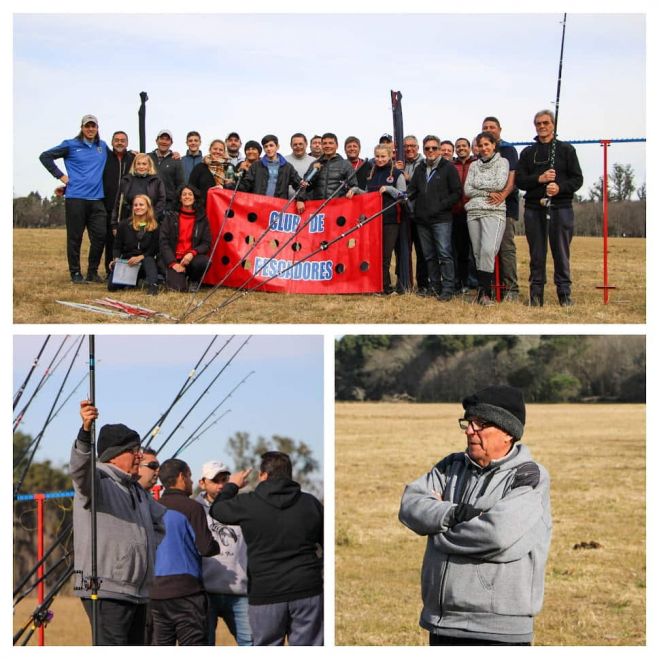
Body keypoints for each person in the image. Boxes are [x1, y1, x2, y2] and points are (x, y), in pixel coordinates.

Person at [398, 385, 552, 646]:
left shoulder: (529, 477)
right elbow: (410, 506)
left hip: (498, 632)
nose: (470, 430)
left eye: (480, 424)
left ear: (507, 432)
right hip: (441, 623)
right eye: (468, 422)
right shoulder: (451, 465)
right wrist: (457, 513)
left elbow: (496, 534)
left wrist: (438, 531)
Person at [70, 400, 166, 645]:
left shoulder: (137, 490)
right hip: (106, 589)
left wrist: (144, 550)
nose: (140, 455)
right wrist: (85, 432)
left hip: (137, 591)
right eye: (134, 450)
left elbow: (159, 523)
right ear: (114, 455)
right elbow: (81, 470)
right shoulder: (97, 481)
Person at [210, 451, 323, 646]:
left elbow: (217, 510)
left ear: (263, 475)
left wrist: (232, 486)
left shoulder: (248, 503)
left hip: (265, 592)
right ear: (289, 474)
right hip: (307, 589)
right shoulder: (310, 502)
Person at [516, 109, 584, 307]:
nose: (542, 126)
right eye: (538, 123)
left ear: (553, 125)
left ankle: (564, 294)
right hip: (533, 209)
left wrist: (559, 187)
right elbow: (520, 180)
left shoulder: (566, 150)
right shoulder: (528, 153)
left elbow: (577, 179)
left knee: (561, 253)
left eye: (546, 123)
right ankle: (536, 296)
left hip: (560, 208)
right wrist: (540, 179)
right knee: (536, 254)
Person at [150, 459, 219, 646]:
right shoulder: (192, 508)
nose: (190, 481)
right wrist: (216, 546)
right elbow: (205, 548)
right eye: (189, 476)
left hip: (155, 594)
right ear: (181, 477)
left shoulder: (152, 507)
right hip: (186, 593)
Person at [39, 114, 108, 283]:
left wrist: (133, 153)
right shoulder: (70, 145)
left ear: (97, 128)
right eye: (87, 126)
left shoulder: (103, 146)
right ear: (82, 128)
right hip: (75, 198)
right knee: (75, 237)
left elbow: (118, 157)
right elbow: (45, 156)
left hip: (97, 199)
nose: (91, 129)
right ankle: (75, 273)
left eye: (94, 126)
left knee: (100, 236)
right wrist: (61, 177)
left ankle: (92, 272)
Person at [195, 461, 253, 646]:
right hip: (205, 593)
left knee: (252, 643)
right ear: (202, 483)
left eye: (225, 479)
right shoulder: (193, 509)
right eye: (215, 480)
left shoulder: (242, 505)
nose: (221, 485)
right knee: (204, 645)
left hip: (239, 592)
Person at [406, 135, 462, 302]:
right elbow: (412, 191)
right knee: (429, 255)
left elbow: (457, 193)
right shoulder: (420, 168)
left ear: (439, 150)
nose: (430, 151)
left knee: (444, 254)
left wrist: (440, 205)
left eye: (434, 148)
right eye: (427, 148)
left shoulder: (448, 167)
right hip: (422, 220)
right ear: (424, 150)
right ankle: (435, 286)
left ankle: (448, 288)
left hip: (441, 219)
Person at [463, 131, 510, 306]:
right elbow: (467, 189)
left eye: (486, 145)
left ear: (493, 145)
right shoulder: (474, 166)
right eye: (480, 145)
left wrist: (480, 188)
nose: (484, 148)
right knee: (477, 253)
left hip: (493, 211)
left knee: (488, 250)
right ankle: (482, 294)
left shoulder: (503, 162)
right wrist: (487, 192)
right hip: (473, 212)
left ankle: (487, 292)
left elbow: (499, 184)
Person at [481, 117, 521, 302]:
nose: (489, 130)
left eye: (492, 127)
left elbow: (512, 177)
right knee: (486, 249)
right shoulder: (482, 150)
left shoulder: (508, 150)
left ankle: (511, 289)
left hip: (505, 206)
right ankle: (487, 288)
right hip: (486, 206)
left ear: (500, 130)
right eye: (485, 127)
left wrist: (503, 196)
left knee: (506, 248)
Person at [359, 144, 406, 294]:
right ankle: (376, 285)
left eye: (383, 156)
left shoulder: (398, 174)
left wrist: (390, 189)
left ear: (390, 156)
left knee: (385, 255)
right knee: (374, 255)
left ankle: (385, 287)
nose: (380, 159)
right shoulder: (370, 174)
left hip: (391, 220)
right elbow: (367, 196)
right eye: (377, 156)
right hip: (373, 220)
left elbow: (404, 196)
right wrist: (355, 190)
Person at [159, 185, 212, 292]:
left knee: (205, 261)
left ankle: (193, 280)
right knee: (178, 289)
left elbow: (206, 243)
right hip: (173, 258)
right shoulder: (170, 216)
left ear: (194, 198)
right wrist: (173, 263)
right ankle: (173, 277)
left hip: (190, 258)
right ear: (180, 198)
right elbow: (163, 242)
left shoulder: (202, 218)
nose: (187, 197)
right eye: (184, 194)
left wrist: (192, 253)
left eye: (190, 194)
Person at [108, 195, 160, 295]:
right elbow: (117, 246)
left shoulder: (155, 226)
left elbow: (155, 248)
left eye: (141, 205)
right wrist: (116, 259)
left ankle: (153, 285)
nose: (138, 207)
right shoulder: (124, 225)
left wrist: (141, 256)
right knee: (112, 287)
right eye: (135, 205)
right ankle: (132, 281)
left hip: (146, 260)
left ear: (148, 207)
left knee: (148, 259)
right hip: (129, 261)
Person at [395, 135, 428, 293]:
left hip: (421, 212)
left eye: (412, 146)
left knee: (422, 250)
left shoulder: (425, 163)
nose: (409, 149)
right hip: (404, 212)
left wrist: (407, 177)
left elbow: (425, 184)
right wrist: (397, 171)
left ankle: (423, 284)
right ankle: (405, 283)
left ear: (418, 147)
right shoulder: (398, 164)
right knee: (404, 250)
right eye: (406, 146)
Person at [102, 131, 134, 278]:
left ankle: (127, 272)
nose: (120, 143)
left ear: (127, 143)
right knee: (110, 240)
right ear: (112, 142)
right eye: (117, 140)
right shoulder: (105, 158)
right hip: (108, 204)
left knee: (126, 240)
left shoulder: (132, 158)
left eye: (123, 140)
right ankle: (110, 270)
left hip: (128, 207)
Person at [298, 132, 360, 212]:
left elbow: (354, 186)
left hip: (338, 209)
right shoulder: (315, 164)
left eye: (331, 143)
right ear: (322, 146)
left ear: (336, 146)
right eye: (324, 143)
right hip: (317, 209)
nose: (327, 146)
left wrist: (353, 190)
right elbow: (305, 185)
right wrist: (300, 199)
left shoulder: (346, 164)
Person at [451, 137, 478, 294]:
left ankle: (474, 281)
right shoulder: (451, 166)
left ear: (469, 148)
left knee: (474, 250)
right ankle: (461, 281)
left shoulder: (476, 164)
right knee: (460, 250)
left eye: (464, 146)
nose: (461, 148)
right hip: (456, 212)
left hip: (473, 211)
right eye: (458, 146)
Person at [111, 152, 166, 228]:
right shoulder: (126, 180)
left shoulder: (156, 180)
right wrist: (114, 224)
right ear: (134, 165)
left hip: (151, 221)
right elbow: (118, 203)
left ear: (149, 165)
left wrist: (152, 216)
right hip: (129, 221)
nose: (141, 166)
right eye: (138, 164)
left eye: (144, 164)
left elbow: (162, 201)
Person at [238, 134, 302, 199]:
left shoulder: (287, 167)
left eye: (271, 146)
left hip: (279, 206)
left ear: (277, 146)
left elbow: (299, 186)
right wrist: (229, 185)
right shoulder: (256, 166)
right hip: (259, 205)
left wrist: (300, 200)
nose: (268, 149)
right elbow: (246, 185)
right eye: (266, 146)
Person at [149, 130, 185, 211]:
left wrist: (176, 204)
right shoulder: (148, 158)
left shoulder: (176, 160)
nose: (164, 142)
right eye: (162, 139)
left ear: (171, 143)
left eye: (167, 139)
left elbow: (180, 185)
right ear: (156, 141)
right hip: (148, 204)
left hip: (168, 205)